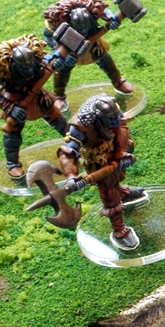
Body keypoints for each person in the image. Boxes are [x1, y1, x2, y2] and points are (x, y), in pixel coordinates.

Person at [59, 96, 143, 250]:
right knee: (107, 189)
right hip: (97, 157)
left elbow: (122, 125)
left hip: (114, 149)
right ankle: (119, 230)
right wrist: (71, 175)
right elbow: (67, 153)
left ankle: (120, 192)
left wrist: (122, 151)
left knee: (118, 175)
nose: (114, 121)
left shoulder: (112, 108)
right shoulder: (80, 126)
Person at [0, 35, 69, 179]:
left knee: (55, 116)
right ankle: (13, 164)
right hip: (15, 99)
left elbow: (51, 62)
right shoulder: (1, 67)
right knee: (13, 130)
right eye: (24, 67)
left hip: (38, 95)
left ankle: (74, 142)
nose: (29, 70)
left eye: (30, 65)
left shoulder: (37, 58)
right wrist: (8, 107)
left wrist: (58, 64)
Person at [42, 0, 135, 112]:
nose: (83, 31)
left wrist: (112, 19)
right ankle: (59, 96)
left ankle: (118, 81)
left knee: (106, 60)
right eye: (79, 28)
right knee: (62, 71)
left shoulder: (93, 10)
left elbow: (104, 11)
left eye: (85, 27)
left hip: (93, 45)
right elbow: (48, 35)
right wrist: (58, 51)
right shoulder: (57, 23)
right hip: (69, 48)